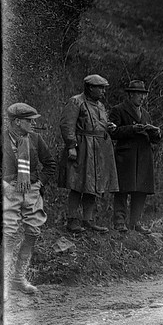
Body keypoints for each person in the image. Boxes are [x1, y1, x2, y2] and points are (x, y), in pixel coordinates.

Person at [2, 103, 57, 295]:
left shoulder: (35, 138)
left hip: (32, 190)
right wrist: (4, 185)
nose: (33, 123)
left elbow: (50, 164)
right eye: (29, 120)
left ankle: (18, 278)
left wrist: (39, 184)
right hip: (9, 191)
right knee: (7, 233)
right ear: (17, 122)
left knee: (33, 231)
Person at [57, 73, 119, 232]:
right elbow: (67, 125)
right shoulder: (76, 101)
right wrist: (71, 146)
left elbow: (98, 124)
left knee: (95, 185)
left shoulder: (100, 105)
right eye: (101, 89)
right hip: (83, 148)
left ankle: (88, 220)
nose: (103, 92)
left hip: (100, 149)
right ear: (90, 88)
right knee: (77, 183)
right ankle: (72, 220)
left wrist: (108, 126)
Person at [110, 80, 162, 232]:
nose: (142, 98)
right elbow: (112, 132)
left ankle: (135, 223)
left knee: (141, 190)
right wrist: (132, 128)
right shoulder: (118, 110)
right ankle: (119, 222)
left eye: (144, 95)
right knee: (122, 189)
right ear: (131, 94)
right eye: (139, 94)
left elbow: (155, 140)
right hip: (126, 156)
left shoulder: (145, 114)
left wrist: (155, 133)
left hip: (144, 156)